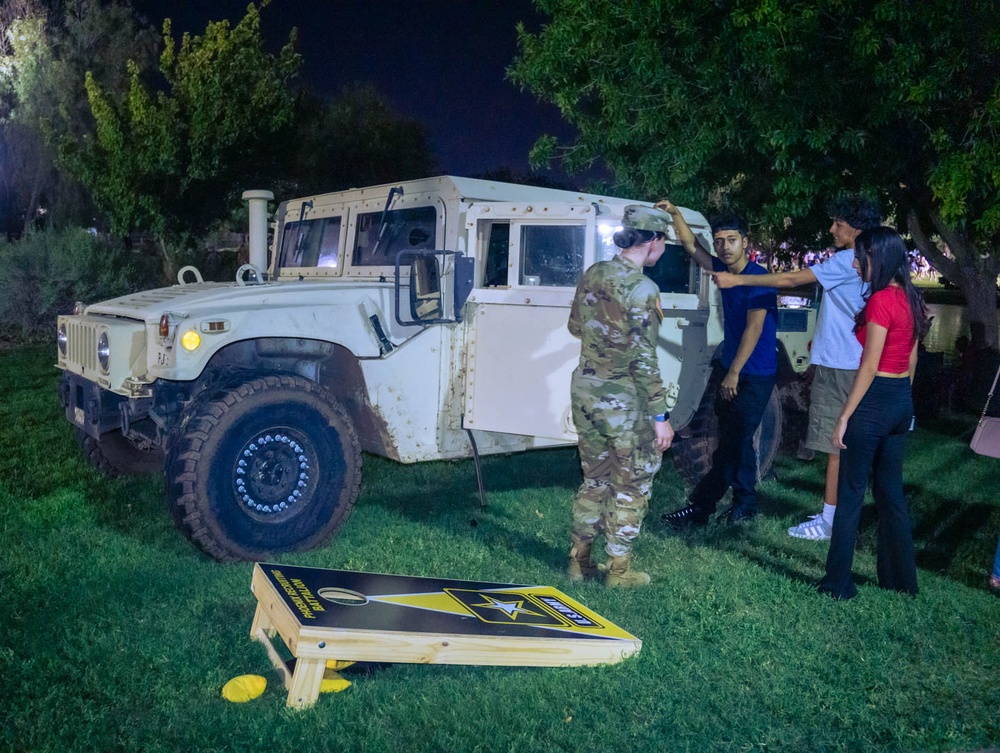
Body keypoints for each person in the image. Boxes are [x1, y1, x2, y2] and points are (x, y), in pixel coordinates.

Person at [713, 196, 881, 540]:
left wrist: (738, 281)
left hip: (839, 364)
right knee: (855, 446)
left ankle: (830, 522)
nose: (832, 228)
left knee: (835, 446)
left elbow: (790, 281)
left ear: (856, 228)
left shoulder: (847, 260)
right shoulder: (876, 259)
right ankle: (845, 515)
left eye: (838, 223)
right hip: (862, 362)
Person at [818, 226, 930, 600]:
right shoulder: (911, 298)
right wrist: (904, 403)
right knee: (891, 495)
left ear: (876, 258)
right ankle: (901, 581)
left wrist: (845, 417)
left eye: (859, 255)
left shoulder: (882, 300)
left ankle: (837, 584)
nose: (854, 262)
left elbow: (869, 364)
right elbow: (911, 357)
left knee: (850, 496)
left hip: (877, 397)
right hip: (900, 397)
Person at [566, 204, 675, 588]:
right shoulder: (643, 288)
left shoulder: (594, 273)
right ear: (654, 241)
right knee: (631, 483)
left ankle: (579, 563)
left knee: (594, 479)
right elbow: (644, 358)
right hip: (623, 402)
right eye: (665, 242)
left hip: (585, 391)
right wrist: (661, 416)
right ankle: (619, 572)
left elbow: (575, 326)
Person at [660, 209, 777, 527]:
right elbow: (691, 247)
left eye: (732, 240)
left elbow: (755, 328)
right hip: (732, 368)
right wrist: (674, 214)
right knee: (736, 438)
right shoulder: (724, 272)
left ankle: (700, 509)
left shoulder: (759, 280)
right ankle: (745, 502)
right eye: (720, 240)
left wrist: (734, 372)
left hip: (755, 374)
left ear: (745, 242)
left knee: (732, 443)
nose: (725, 246)